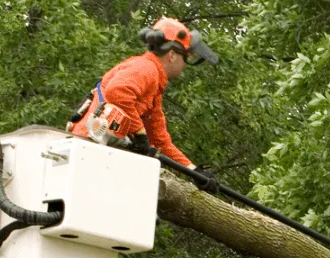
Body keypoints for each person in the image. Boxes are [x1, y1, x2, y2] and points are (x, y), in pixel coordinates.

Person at [69, 16, 218, 169]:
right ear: (172, 55)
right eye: (184, 57)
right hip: (87, 146)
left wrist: (193, 170)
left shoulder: (154, 88)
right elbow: (117, 93)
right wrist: (139, 133)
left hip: (96, 150)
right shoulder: (146, 68)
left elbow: (160, 140)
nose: (184, 65)